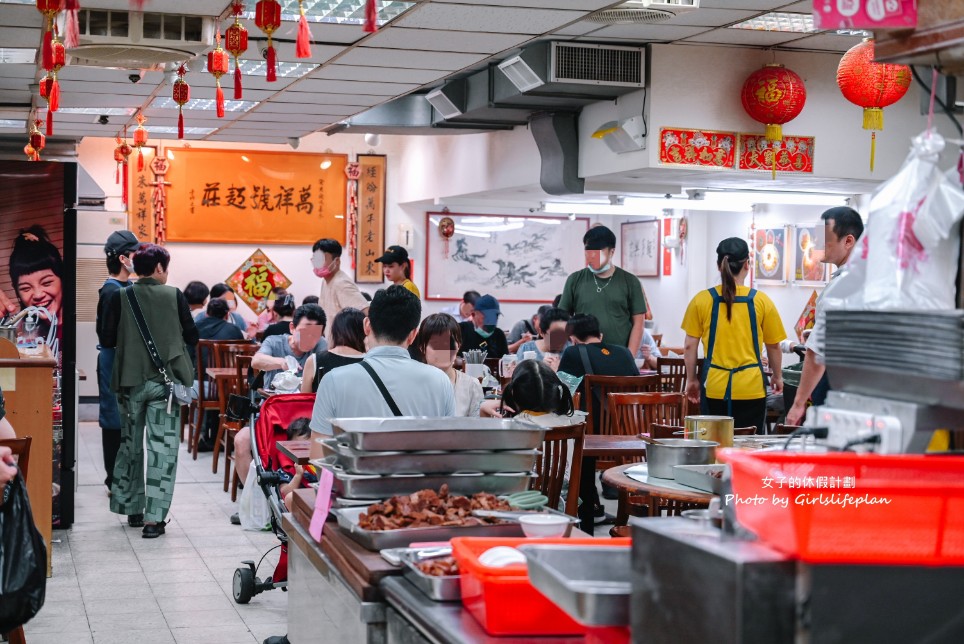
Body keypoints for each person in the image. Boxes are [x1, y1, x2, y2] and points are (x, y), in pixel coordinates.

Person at [102, 243, 198, 538]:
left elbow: (106, 337)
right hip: (165, 385)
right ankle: (154, 520)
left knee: (131, 445)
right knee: (162, 450)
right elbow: (192, 335)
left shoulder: (121, 295)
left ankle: (133, 508)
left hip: (130, 382)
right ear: (159, 268)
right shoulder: (173, 295)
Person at [310, 285, 454, 436]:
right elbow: (450, 446)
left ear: (366, 326)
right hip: (421, 461)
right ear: (413, 335)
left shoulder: (333, 381)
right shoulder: (440, 381)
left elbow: (319, 455)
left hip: (357, 460)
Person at [682, 237, 786, 433]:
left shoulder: (702, 300)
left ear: (718, 265)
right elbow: (774, 346)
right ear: (747, 264)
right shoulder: (761, 301)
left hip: (715, 387)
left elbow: (690, 346)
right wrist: (777, 377)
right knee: (749, 446)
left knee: (714, 447)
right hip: (752, 388)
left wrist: (692, 379)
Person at [554, 312, 639, 531]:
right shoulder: (624, 353)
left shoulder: (573, 353)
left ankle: (585, 524)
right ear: (599, 334)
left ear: (572, 337)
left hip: (591, 439)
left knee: (575, 442)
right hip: (629, 437)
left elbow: (561, 394)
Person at [785, 207, 864, 426]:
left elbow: (818, 353)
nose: (819, 246)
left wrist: (799, 403)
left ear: (848, 241)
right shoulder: (873, 280)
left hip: (836, 391)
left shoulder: (842, 287)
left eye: (826, 240)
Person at [96, 230, 140, 494]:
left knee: (125, 419)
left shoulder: (127, 288)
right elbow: (106, 334)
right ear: (124, 258)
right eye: (135, 253)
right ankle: (113, 478)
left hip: (124, 360)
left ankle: (121, 476)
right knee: (114, 419)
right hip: (114, 360)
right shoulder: (113, 291)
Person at [559, 225, 646, 357]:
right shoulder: (575, 280)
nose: (592, 257)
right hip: (584, 356)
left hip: (618, 355)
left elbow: (638, 323)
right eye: (589, 252)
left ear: (612, 252)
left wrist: (630, 356)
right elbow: (561, 317)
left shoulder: (630, 281)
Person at [416, 313, 483, 417]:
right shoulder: (413, 384)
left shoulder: (472, 386)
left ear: (458, 346)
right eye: (436, 344)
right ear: (422, 348)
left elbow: (476, 430)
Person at [9, 225, 64, 350]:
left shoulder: (77, 328)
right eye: (26, 288)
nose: (38, 295)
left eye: (46, 283)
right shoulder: (17, 332)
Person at [251, 304, 327, 390]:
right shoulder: (274, 342)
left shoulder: (321, 343)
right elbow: (256, 361)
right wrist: (282, 362)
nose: (309, 338)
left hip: (306, 401)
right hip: (274, 400)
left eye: (315, 334)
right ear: (292, 328)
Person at [313, 238, 370, 340]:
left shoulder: (341, 283)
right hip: (331, 345)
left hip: (344, 348)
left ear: (337, 261)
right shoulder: (325, 281)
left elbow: (366, 314)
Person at [494, 360, 579, 427]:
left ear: (513, 393)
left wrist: (483, 412)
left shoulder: (509, 428)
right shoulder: (573, 424)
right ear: (555, 393)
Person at [301, 307, 367, 393]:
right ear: (364, 331)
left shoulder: (314, 360)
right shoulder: (370, 362)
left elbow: (304, 400)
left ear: (335, 330)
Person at [457, 294, 509, 361]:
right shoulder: (460, 330)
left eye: (495, 316)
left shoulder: (499, 335)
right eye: (486, 317)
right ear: (473, 314)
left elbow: (505, 362)